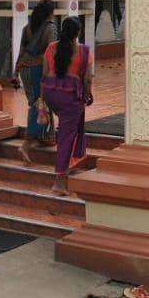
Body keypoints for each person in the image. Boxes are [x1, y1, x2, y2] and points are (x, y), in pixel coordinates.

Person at [41, 17, 93, 194]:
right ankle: (59, 181)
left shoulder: (50, 48)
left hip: (50, 93)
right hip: (70, 96)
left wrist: (43, 100)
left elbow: (45, 73)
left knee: (68, 129)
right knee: (66, 136)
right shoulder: (83, 51)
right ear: (78, 33)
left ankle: (68, 162)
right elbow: (87, 78)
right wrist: (87, 95)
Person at [15, 0, 57, 162]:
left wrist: (15, 71)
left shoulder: (28, 28)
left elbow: (21, 51)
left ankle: (46, 136)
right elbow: (51, 53)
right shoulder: (50, 28)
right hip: (39, 70)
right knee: (39, 103)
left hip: (25, 70)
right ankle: (27, 142)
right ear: (50, 13)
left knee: (37, 102)